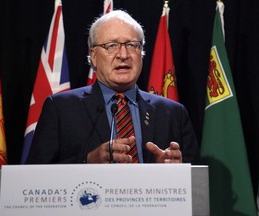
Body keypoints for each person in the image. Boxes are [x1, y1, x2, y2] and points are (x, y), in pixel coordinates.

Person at [26, 10, 200, 164]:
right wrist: (87, 161)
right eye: (112, 46)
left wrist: (177, 169)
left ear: (141, 53)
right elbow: (35, 177)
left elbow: (197, 183)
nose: (123, 55)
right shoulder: (61, 109)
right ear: (93, 56)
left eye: (132, 45)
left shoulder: (173, 113)